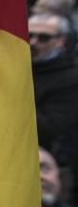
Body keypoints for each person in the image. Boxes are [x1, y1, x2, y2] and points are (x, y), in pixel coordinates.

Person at [31, 13, 78, 181]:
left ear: (60, 41)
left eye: (44, 38)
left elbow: (51, 127)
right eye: (29, 35)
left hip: (42, 165)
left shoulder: (70, 79)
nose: (33, 42)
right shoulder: (14, 67)